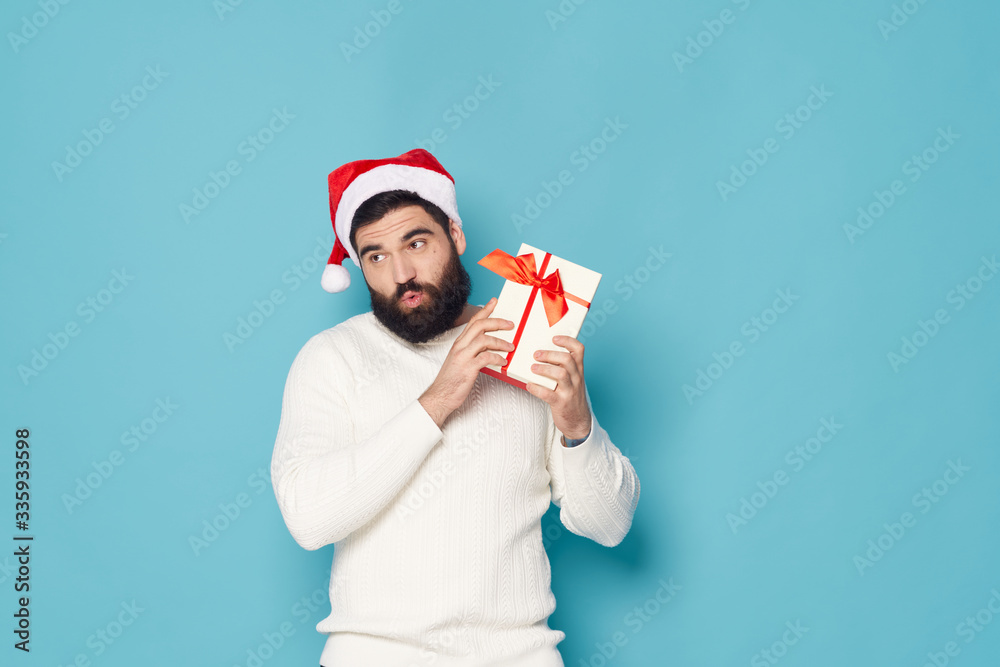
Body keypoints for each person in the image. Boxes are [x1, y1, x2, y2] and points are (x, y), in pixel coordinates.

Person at [269, 149, 640, 667]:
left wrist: (578, 426)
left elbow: (610, 524)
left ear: (456, 236)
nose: (402, 273)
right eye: (375, 256)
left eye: (417, 242)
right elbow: (309, 519)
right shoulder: (333, 357)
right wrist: (438, 400)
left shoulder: (525, 344)